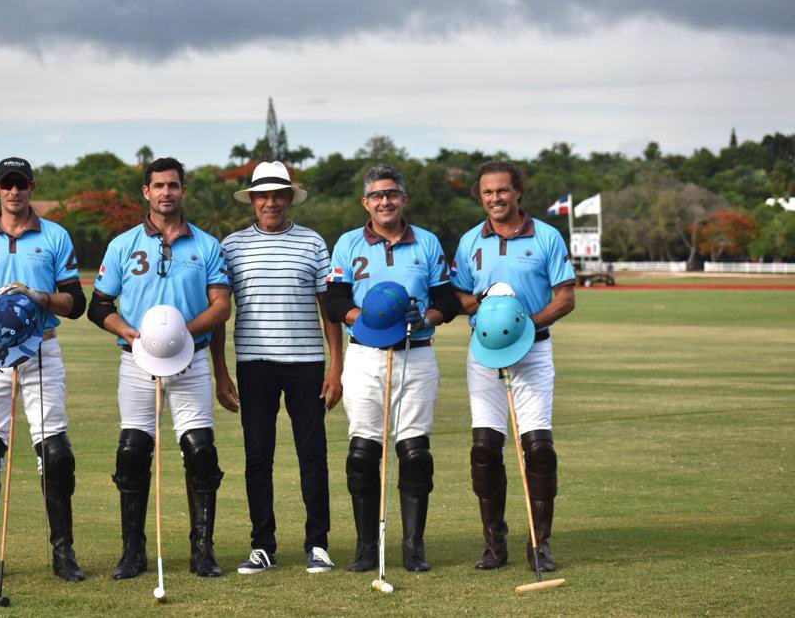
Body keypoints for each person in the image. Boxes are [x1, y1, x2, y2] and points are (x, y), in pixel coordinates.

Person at [87, 157, 232, 579]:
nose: (166, 192)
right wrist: (130, 332)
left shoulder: (207, 245)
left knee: (201, 451)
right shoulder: (122, 245)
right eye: (159, 186)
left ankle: (202, 550)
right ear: (146, 192)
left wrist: (179, 333)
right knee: (132, 451)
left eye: (173, 185)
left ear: (183, 190)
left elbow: (221, 306)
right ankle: (132, 551)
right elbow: (99, 306)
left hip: (193, 359)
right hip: (136, 361)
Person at [0, 156, 87, 584]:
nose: (14, 191)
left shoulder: (55, 235)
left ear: (31, 187)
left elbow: (76, 303)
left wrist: (39, 298)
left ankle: (63, 553)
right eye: (7, 184)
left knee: (56, 454)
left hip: (41, 348)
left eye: (21, 184)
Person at [324, 164, 461, 573]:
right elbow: (334, 301)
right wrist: (366, 319)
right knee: (363, 453)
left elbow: (448, 299)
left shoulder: (427, 242)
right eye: (377, 195)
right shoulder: (348, 243)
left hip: (416, 353)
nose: (385, 201)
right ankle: (367, 547)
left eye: (392, 194)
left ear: (403, 198)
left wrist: (428, 317)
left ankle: (413, 547)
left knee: (415, 453)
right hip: (365, 355)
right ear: (365, 202)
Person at [210, 161, 344, 574]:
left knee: (313, 455)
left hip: (307, 363)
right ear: (253, 200)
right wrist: (221, 372)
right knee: (257, 457)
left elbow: (328, 311)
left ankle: (318, 543)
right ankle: (262, 545)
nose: (271, 202)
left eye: (278, 195)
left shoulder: (312, 243)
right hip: (254, 364)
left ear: (289, 198)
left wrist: (336, 367)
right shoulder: (231, 246)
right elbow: (220, 312)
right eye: (263, 196)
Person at [451, 160, 576, 573]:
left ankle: (539, 543)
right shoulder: (470, 241)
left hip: (533, 351)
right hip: (484, 353)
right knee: (485, 449)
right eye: (488, 192)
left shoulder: (547, 236)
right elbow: (458, 296)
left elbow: (566, 298)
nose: (495, 198)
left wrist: (523, 325)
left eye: (502, 190)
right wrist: (485, 306)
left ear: (518, 191)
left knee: (538, 449)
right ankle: (494, 543)